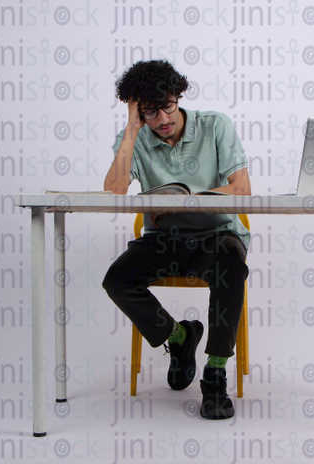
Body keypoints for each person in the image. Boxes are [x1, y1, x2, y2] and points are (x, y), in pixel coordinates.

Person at [102, 60, 251, 420]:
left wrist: (192, 200)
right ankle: (180, 337)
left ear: (179, 96)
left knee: (231, 264)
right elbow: (115, 190)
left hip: (216, 236)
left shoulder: (215, 126)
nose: (163, 119)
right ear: (139, 111)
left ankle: (215, 375)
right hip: (163, 240)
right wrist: (132, 128)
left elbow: (242, 190)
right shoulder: (134, 138)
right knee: (117, 280)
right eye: (150, 111)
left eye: (167, 105)